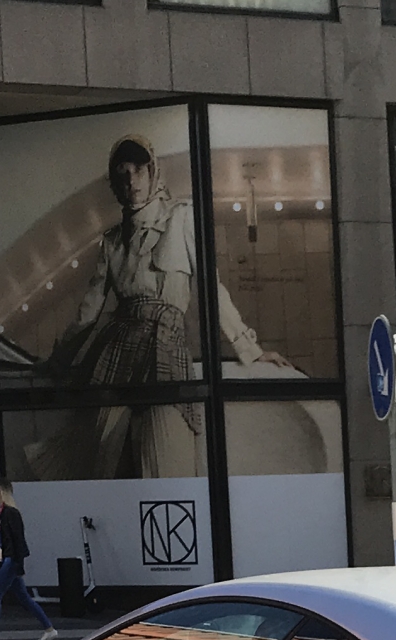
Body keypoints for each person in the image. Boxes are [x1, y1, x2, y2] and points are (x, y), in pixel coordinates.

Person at [26, 133, 292, 481]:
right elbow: (87, 314)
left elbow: (210, 287)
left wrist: (251, 350)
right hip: (116, 353)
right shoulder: (112, 242)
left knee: (167, 453)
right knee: (94, 453)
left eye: (138, 169)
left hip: (165, 348)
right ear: (115, 183)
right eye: (122, 172)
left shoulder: (181, 218)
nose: (131, 179)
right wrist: (57, 362)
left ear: (153, 172)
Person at [0, 479, 57, 640]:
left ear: (1, 490)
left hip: (10, 560)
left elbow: (18, 539)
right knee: (24, 598)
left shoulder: (10, 513)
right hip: (6, 560)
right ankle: (49, 629)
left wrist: (17, 562)